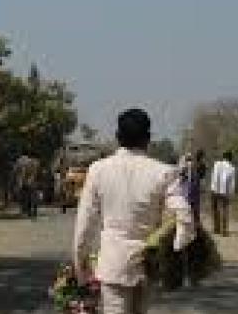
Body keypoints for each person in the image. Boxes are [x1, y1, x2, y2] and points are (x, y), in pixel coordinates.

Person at [73, 109, 195, 314]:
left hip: (113, 263)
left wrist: (80, 261)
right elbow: (184, 214)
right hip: (148, 263)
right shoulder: (164, 172)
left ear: (117, 137)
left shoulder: (98, 170)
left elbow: (85, 223)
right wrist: (176, 246)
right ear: (147, 139)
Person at [210, 151, 236, 237]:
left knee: (215, 209)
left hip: (215, 190)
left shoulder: (217, 164)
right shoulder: (232, 168)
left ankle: (216, 228)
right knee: (224, 210)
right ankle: (224, 230)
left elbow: (213, 176)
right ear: (230, 158)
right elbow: (232, 184)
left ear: (223, 157)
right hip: (225, 192)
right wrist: (231, 193)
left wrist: (212, 188)